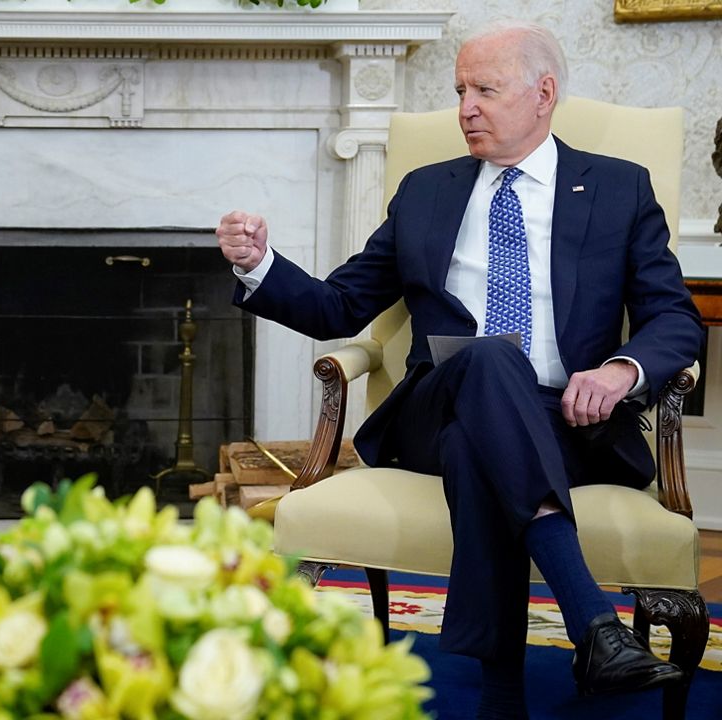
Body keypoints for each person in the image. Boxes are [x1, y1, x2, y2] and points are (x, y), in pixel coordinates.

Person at [217, 20, 703, 718]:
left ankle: (503, 694)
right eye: (459, 91)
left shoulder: (618, 190)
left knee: (486, 444)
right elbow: (340, 304)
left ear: (543, 94)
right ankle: (590, 622)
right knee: (485, 359)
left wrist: (623, 370)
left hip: (568, 421)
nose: (465, 108)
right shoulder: (428, 191)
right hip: (435, 407)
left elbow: (674, 317)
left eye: (485, 90)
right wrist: (256, 263)